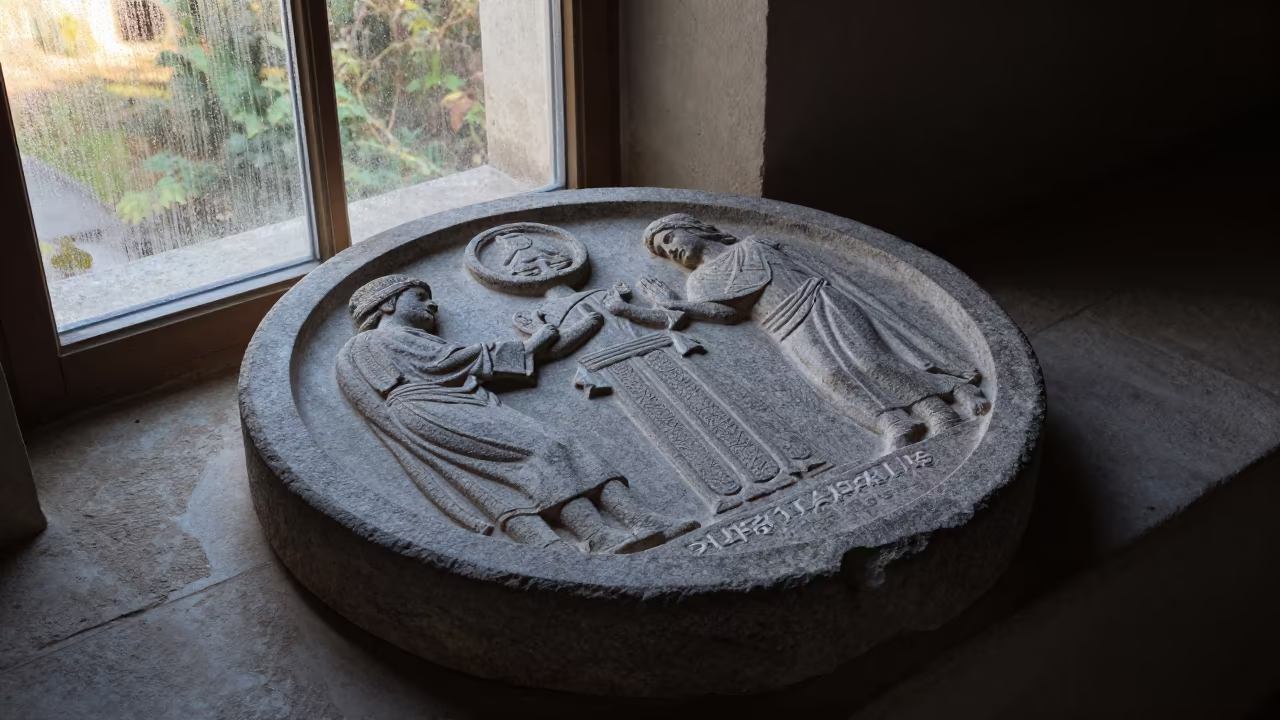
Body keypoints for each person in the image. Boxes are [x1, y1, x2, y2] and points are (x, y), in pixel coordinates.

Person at [336, 274, 695, 553]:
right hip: (433, 407)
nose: (432, 305)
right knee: (544, 450)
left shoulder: (405, 338)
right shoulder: (372, 341)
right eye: (420, 298)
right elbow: (447, 362)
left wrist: (565, 332)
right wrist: (529, 344)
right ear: (387, 304)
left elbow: (464, 364)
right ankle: (600, 535)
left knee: (554, 449)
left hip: (454, 402)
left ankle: (637, 520)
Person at [637, 214, 990, 450]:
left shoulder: (754, 245)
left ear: (695, 228)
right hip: (783, 325)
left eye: (669, 238)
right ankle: (894, 422)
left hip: (820, 300)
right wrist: (672, 303)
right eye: (664, 251)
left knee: (870, 360)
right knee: (832, 377)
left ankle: (938, 411)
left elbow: (809, 268)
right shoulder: (699, 282)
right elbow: (724, 313)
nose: (670, 250)